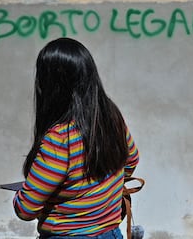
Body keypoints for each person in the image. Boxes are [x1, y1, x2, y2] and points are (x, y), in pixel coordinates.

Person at [13, 38, 139, 238]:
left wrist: (23, 195)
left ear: (50, 86)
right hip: (111, 233)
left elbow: (25, 209)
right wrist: (99, 195)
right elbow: (131, 160)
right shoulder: (110, 115)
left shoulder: (59, 139)